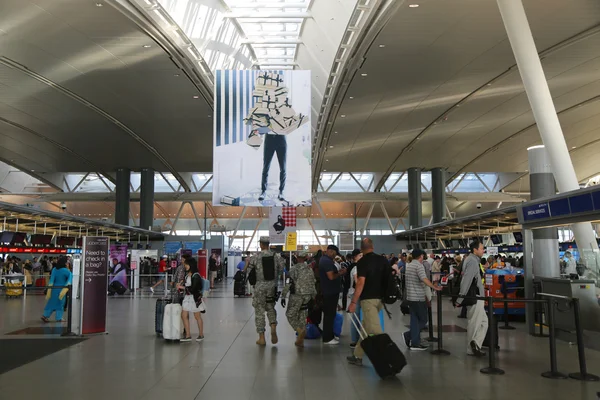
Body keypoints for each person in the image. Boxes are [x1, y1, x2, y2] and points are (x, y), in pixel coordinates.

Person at [347, 238, 389, 366]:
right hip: (380, 299)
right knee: (366, 328)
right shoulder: (382, 260)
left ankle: (388, 360)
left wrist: (353, 302)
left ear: (362, 249)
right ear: (373, 246)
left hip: (368, 300)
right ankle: (357, 356)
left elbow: (360, 283)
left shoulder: (363, 262)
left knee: (376, 332)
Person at [247, 237, 285, 345]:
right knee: (270, 307)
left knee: (259, 311)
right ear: (268, 244)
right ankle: (273, 326)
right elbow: (282, 269)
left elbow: (249, 272)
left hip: (259, 287)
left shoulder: (256, 257)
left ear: (261, 245)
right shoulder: (276, 256)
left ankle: (262, 337)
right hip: (272, 286)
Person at [403, 249, 442, 351]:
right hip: (418, 297)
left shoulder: (409, 265)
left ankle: (415, 342)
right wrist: (435, 287)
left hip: (410, 297)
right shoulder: (419, 266)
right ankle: (408, 335)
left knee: (414, 320)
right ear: (421, 256)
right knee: (423, 320)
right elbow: (424, 279)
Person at [457, 241, 488, 357]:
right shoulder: (472, 261)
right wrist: (460, 299)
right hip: (474, 296)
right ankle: (471, 349)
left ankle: (475, 343)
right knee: (474, 323)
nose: (483, 250)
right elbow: (467, 280)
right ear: (475, 250)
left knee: (484, 323)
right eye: (481, 249)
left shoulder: (475, 261)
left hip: (479, 296)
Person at [281, 251, 316, 347]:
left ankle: (299, 331)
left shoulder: (294, 269)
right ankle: (300, 341)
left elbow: (289, 282)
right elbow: (313, 282)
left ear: (297, 258)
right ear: (305, 258)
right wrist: (313, 296)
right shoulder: (309, 269)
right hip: (308, 296)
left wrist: (283, 296)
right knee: (302, 316)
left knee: (290, 314)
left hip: (297, 295)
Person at [319, 244, 347, 345]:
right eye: (334, 253)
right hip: (329, 292)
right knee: (329, 315)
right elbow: (331, 277)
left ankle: (329, 335)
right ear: (330, 251)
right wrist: (340, 273)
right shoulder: (326, 261)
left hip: (330, 291)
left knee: (330, 314)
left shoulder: (326, 260)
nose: (335, 256)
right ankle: (327, 338)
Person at [178, 257, 205, 342]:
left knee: (197, 316)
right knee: (183, 315)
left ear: (191, 265)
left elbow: (194, 289)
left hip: (194, 298)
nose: (185, 266)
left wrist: (182, 287)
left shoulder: (196, 275)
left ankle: (201, 334)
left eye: (186, 264)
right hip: (187, 297)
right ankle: (188, 335)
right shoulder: (188, 274)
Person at [41, 256, 72, 323]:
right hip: (62, 289)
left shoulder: (54, 269)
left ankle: (45, 315)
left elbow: (51, 280)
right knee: (60, 303)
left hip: (53, 289)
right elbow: (70, 278)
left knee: (51, 303)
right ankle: (59, 318)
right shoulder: (65, 271)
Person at [347, 249, 363, 349]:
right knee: (356, 317)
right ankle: (355, 339)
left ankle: (356, 339)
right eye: (360, 256)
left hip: (357, 294)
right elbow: (358, 282)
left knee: (357, 316)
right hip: (356, 294)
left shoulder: (358, 267)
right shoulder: (356, 268)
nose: (362, 257)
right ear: (355, 258)